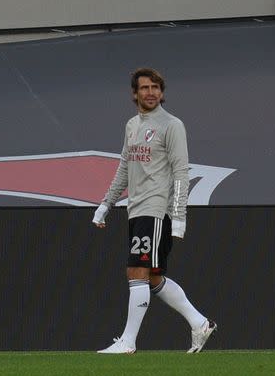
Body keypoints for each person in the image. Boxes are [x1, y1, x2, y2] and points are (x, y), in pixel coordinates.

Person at [92, 67, 216, 354]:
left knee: (136, 271)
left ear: (162, 92)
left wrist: (179, 216)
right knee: (153, 277)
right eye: (145, 88)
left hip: (156, 209)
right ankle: (200, 323)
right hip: (135, 209)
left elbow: (181, 172)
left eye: (156, 88)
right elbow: (125, 167)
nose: (151, 93)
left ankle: (128, 341)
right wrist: (106, 204)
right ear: (134, 93)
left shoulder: (172, 125)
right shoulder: (132, 125)